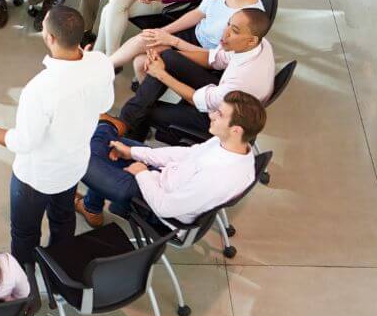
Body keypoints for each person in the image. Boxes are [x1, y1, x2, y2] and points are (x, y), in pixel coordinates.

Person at [0, 6, 115, 264]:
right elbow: (105, 106)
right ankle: (61, 268)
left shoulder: (40, 89)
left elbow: (24, 142)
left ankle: (26, 286)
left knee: (24, 234)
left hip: (36, 178)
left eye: (44, 27)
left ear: (50, 38)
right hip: (73, 167)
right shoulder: (100, 62)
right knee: (63, 219)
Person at [77, 91, 266, 230]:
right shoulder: (232, 144)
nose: (211, 115)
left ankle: (106, 125)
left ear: (236, 130)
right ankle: (91, 207)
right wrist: (133, 152)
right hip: (162, 175)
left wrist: (142, 173)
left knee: (79, 156)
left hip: (150, 203)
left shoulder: (218, 177)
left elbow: (164, 207)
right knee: (107, 147)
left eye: (220, 114)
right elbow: (186, 154)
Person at [102, 8, 275, 142]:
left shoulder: (241, 80)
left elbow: (197, 99)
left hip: (224, 117)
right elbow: (214, 59)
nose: (225, 32)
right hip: (222, 94)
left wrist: (161, 73)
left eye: (234, 30)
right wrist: (170, 52)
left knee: (146, 110)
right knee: (168, 57)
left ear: (251, 39)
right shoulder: (258, 43)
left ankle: (127, 135)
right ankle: (126, 122)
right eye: (228, 24)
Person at [111, 0, 264, 84]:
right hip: (195, 36)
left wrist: (172, 41)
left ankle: (105, 71)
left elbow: (219, 57)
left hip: (208, 57)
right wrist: (164, 30)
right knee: (147, 42)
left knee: (141, 61)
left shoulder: (248, 15)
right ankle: (104, 68)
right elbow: (199, 13)